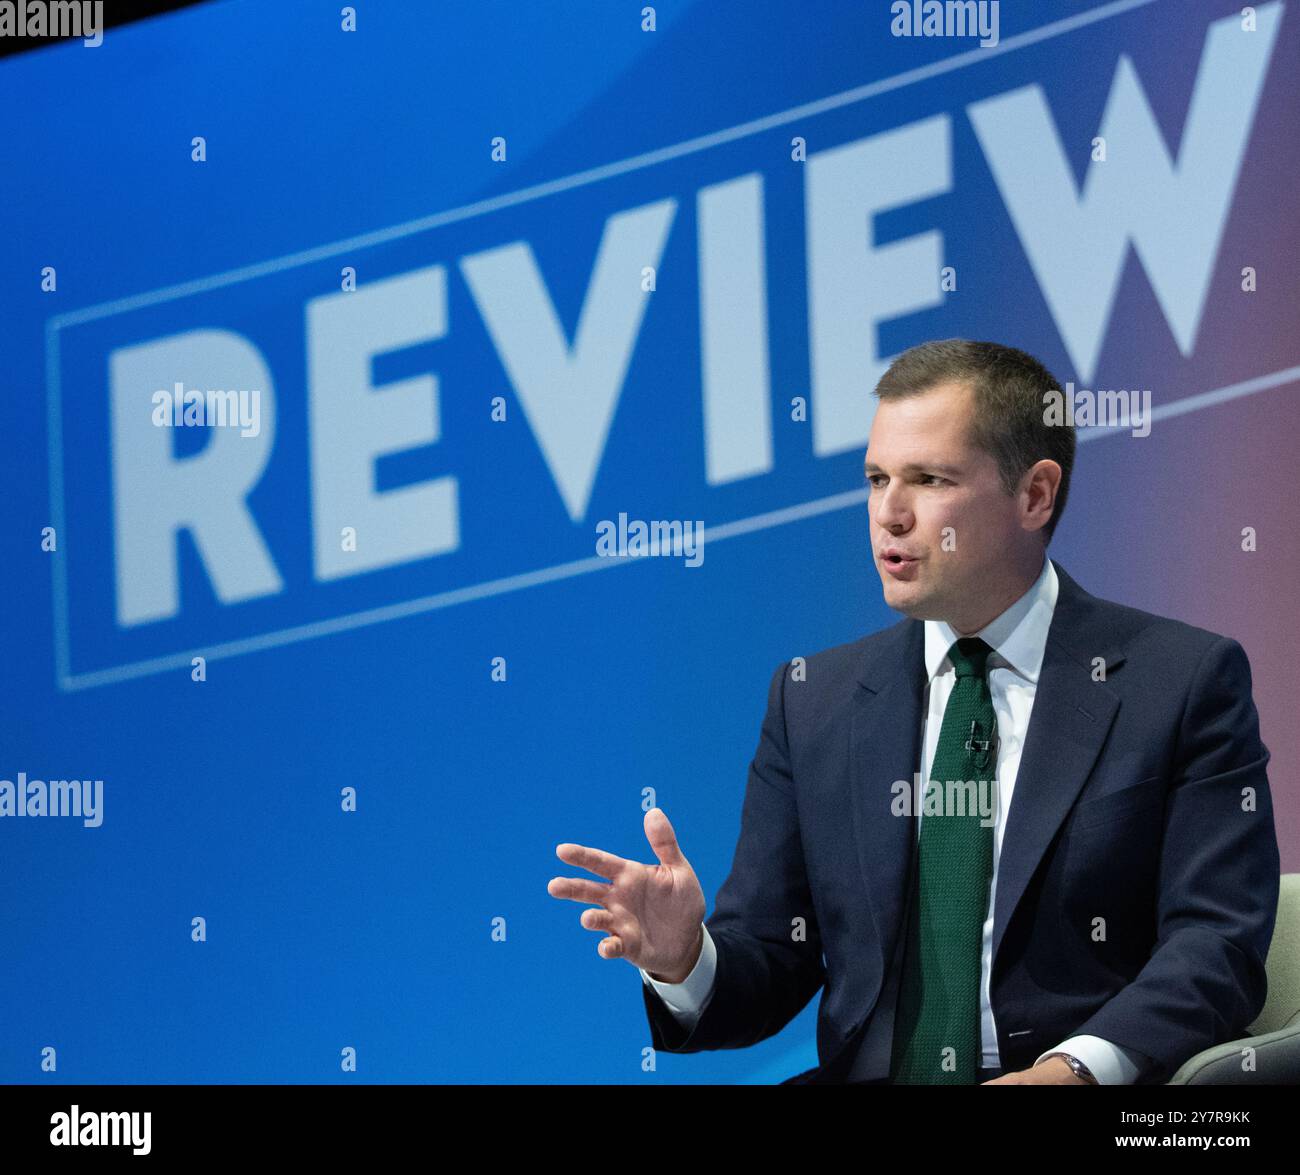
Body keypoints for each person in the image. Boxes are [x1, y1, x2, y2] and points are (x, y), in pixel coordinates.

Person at [547, 339, 1280, 1085]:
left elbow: (1216, 940)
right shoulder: (812, 699)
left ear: (1035, 495)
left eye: (928, 479)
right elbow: (771, 961)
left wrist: (1073, 1071)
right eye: (875, 479)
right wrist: (685, 958)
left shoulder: (1180, 681)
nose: (888, 514)